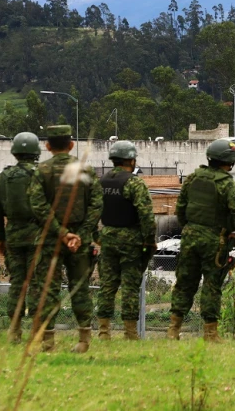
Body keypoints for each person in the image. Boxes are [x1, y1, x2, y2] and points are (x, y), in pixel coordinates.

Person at [28, 125, 103, 353]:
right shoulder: (86, 171)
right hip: (79, 240)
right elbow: (97, 203)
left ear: (48, 146)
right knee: (79, 287)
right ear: (71, 145)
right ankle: (84, 340)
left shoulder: (41, 171)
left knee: (47, 288)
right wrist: (80, 234)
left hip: (50, 239)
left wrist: (61, 232)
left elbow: (38, 206)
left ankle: (48, 341)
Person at [167, 139, 235, 342]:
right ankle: (210, 334)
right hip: (215, 240)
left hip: (189, 237)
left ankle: (173, 330)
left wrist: (190, 228)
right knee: (212, 285)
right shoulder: (226, 184)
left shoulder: (192, 178)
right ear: (229, 161)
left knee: (185, 282)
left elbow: (180, 211)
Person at [96, 141, 156, 341]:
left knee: (107, 286)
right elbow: (146, 215)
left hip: (108, 238)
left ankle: (103, 331)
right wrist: (149, 241)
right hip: (131, 241)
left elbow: (90, 214)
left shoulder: (101, 182)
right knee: (130, 286)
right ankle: (130, 333)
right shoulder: (134, 183)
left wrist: (99, 238)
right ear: (131, 160)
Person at [0, 132, 42, 344]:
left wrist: (0, 238)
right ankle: (37, 332)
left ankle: (15, 330)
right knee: (37, 283)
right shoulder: (41, 176)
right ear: (36, 152)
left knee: (17, 283)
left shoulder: (3, 178)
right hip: (38, 238)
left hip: (13, 238)